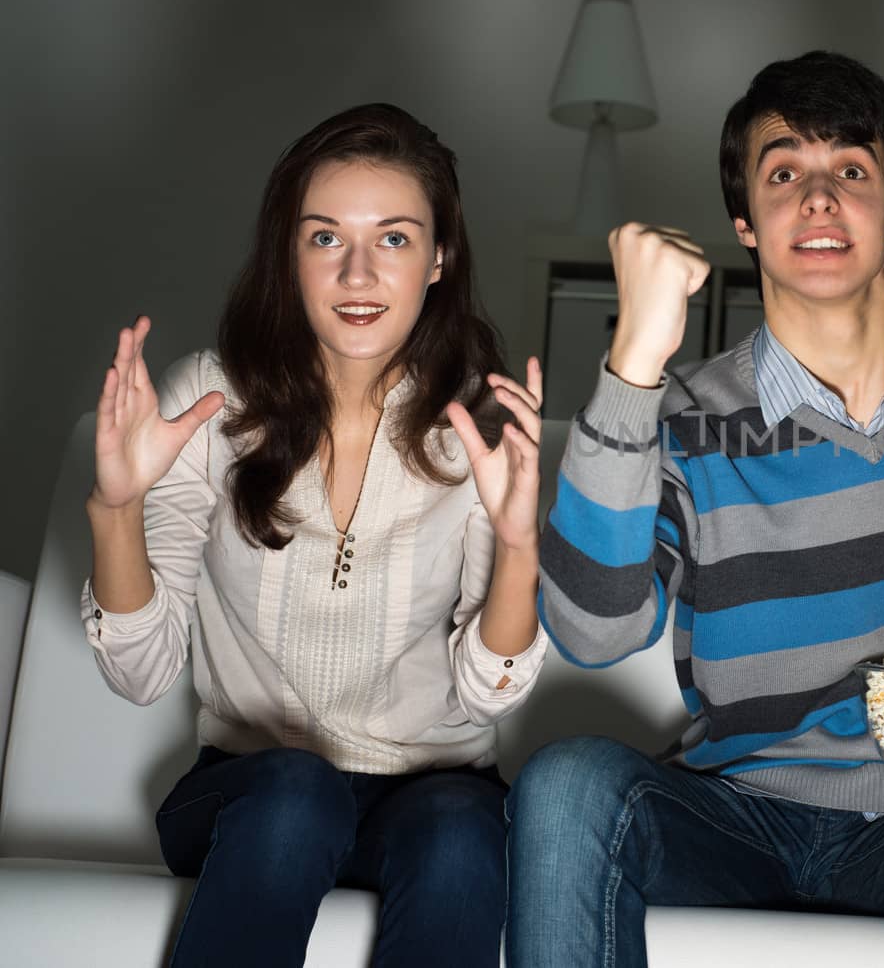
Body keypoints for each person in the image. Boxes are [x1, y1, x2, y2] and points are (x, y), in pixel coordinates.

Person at [506, 51, 884, 968]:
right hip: (733, 814)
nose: (819, 199)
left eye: (852, 172)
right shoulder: (682, 416)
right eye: (785, 172)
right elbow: (591, 631)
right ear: (745, 223)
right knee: (566, 782)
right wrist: (635, 359)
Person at [82, 103, 547, 968]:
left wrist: (520, 545)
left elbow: (489, 695)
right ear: (289, 256)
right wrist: (116, 508)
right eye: (326, 238)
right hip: (250, 794)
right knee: (299, 794)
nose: (359, 273)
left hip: (437, 795)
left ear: (440, 257)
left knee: (459, 834)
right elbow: (140, 672)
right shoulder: (212, 405)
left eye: (396, 239)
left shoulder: (474, 427)